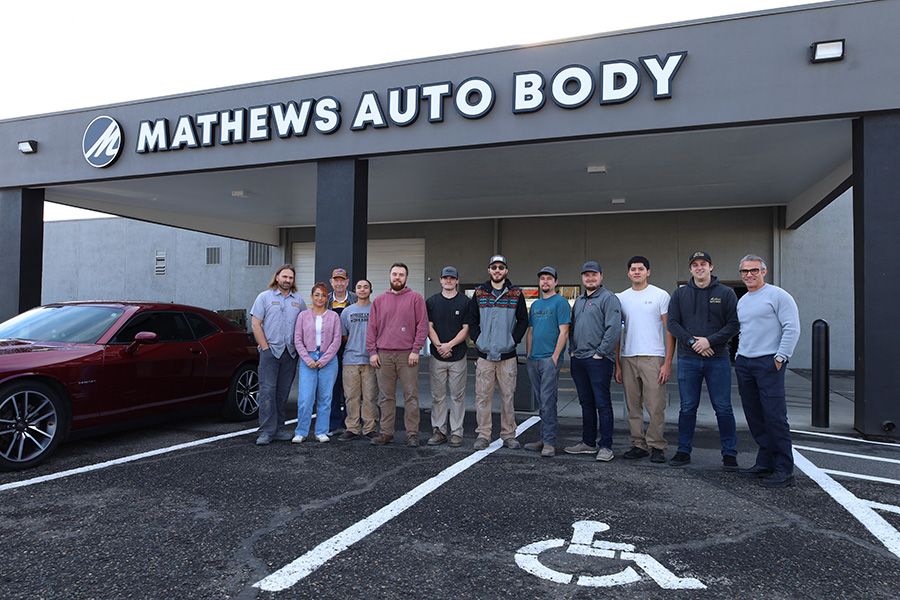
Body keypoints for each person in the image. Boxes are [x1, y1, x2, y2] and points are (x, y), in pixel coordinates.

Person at [667, 251, 740, 470]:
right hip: (688, 360)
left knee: (723, 408)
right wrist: (692, 342)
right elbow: (672, 323)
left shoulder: (726, 293)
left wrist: (709, 341)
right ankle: (683, 450)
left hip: (717, 359)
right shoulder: (680, 295)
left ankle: (729, 454)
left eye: (703, 264)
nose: (699, 268)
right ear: (690, 269)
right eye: (695, 265)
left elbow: (734, 324)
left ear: (711, 266)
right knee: (687, 407)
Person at [734, 254, 800, 488]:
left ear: (764, 271)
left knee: (774, 416)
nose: (749, 275)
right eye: (744, 271)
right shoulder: (743, 300)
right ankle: (765, 462)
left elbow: (792, 327)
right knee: (755, 416)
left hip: (769, 362)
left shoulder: (778, 295)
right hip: (745, 363)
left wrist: (781, 356)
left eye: (754, 270)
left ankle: (784, 469)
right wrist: (739, 355)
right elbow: (745, 330)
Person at [614, 256, 675, 463]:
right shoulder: (621, 298)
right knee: (633, 406)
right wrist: (617, 364)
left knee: (655, 405)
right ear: (628, 273)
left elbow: (670, 331)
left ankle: (657, 445)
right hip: (628, 357)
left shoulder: (660, 295)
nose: (637, 272)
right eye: (633, 269)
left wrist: (667, 362)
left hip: (653, 357)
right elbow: (617, 333)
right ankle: (638, 444)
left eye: (641, 269)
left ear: (648, 272)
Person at [468, 254, 528, 451]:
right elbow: (472, 321)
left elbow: (523, 321)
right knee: (482, 397)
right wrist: (478, 340)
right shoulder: (479, 294)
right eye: (494, 267)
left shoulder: (516, 294)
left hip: (507, 356)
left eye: (501, 267)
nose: (497, 271)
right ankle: (483, 434)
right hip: (485, 356)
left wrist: (513, 340)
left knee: (508, 397)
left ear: (506, 271)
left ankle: (509, 435)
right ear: (489, 270)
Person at [366, 262, 429, 447]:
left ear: (406, 278)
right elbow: (372, 328)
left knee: (411, 396)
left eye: (401, 274)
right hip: (383, 355)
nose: (397, 277)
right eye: (394, 274)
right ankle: (386, 433)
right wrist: (372, 352)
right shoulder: (378, 300)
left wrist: (416, 350)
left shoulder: (415, 298)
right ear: (389, 276)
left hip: (407, 355)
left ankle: (412, 434)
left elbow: (422, 326)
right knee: (386, 397)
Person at [565, 261, 622, 462]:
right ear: (582, 278)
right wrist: (572, 351)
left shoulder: (609, 299)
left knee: (603, 403)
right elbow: (572, 329)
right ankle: (588, 443)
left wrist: (600, 353)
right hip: (578, 359)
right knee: (586, 403)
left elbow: (614, 329)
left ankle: (606, 446)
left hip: (598, 360)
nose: (590, 278)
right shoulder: (579, 301)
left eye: (594, 275)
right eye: (586, 275)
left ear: (601, 276)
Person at [250, 264, 307, 445]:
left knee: (283, 394)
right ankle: (266, 431)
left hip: (290, 354)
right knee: (267, 392)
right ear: (277, 277)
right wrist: (265, 348)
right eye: (284, 277)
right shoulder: (264, 298)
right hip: (270, 352)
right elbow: (255, 324)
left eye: (290, 278)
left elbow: (305, 326)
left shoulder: (298, 301)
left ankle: (279, 429)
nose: (287, 280)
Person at [524, 266, 570, 458]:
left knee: (548, 399)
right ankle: (543, 438)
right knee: (541, 400)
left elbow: (564, 331)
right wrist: (528, 354)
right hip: (534, 359)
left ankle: (550, 442)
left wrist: (555, 356)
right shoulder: (535, 305)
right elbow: (531, 331)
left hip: (549, 358)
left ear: (555, 282)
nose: (545, 282)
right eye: (542, 278)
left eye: (549, 279)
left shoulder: (561, 303)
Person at [425, 266, 471, 448]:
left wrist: (449, 345)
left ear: (457, 281)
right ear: (440, 280)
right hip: (437, 357)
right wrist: (439, 346)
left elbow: (466, 329)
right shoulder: (432, 301)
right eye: (446, 278)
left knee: (458, 396)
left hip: (458, 356)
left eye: (452, 278)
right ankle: (439, 431)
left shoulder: (465, 302)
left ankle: (457, 432)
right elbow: (429, 326)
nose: (449, 281)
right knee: (438, 396)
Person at [292, 282, 342, 443]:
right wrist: (307, 359)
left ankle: (321, 431)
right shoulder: (303, 316)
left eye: (323, 295)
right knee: (305, 398)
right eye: (317, 294)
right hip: (308, 358)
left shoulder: (334, 316)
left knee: (325, 397)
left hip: (328, 359)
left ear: (328, 298)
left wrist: (324, 359)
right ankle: (301, 431)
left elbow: (337, 340)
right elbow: (297, 339)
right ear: (312, 297)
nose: (320, 298)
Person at [337, 279, 379, 441]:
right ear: (355, 291)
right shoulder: (347, 311)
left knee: (370, 396)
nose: (362, 290)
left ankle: (370, 428)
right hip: (350, 360)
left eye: (366, 287)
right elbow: (344, 336)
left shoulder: (377, 309)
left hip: (371, 360)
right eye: (359, 287)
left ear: (371, 290)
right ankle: (352, 428)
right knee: (351, 396)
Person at [326, 268, 358, 436]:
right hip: (330, 348)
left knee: (351, 387)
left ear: (347, 282)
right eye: (336, 280)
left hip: (350, 346)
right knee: (332, 385)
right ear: (331, 282)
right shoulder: (326, 300)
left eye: (342, 280)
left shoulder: (355, 299)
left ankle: (350, 424)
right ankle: (333, 423)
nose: (339, 283)